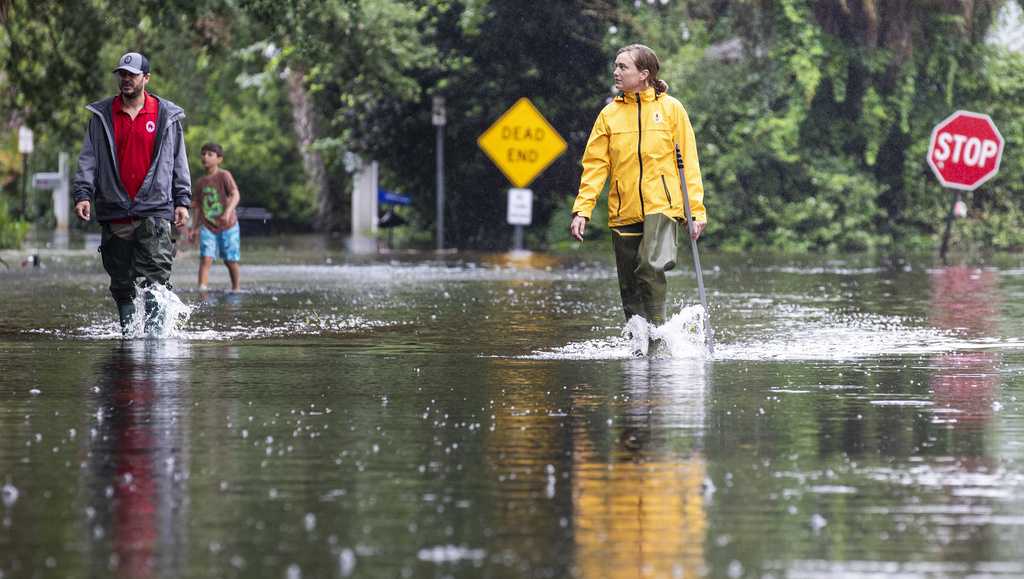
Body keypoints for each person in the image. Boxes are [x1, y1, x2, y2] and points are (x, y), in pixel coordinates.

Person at [570, 44, 706, 328]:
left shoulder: (671, 109)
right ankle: (638, 341)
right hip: (624, 208)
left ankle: (658, 333)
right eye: (616, 66)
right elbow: (595, 165)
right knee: (629, 284)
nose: (616, 72)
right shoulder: (608, 115)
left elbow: (688, 163)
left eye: (623, 67)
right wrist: (583, 209)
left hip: (663, 206)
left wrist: (695, 210)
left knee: (649, 265)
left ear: (644, 74)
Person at [73, 51, 191, 335]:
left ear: (145, 79)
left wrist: (182, 200)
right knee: (121, 283)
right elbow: (88, 158)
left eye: (132, 75)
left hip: (155, 207)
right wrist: (83, 194)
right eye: (122, 74)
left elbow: (178, 159)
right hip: (115, 208)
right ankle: (128, 338)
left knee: (156, 280)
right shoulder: (102, 116)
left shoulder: (166, 115)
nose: (126, 79)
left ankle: (154, 342)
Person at [190, 143, 241, 291]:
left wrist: (227, 212)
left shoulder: (224, 175)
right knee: (206, 258)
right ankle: (202, 289)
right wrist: (194, 229)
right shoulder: (200, 183)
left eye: (210, 154)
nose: (205, 157)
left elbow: (235, 194)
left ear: (219, 159)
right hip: (208, 226)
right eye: (203, 154)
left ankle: (236, 289)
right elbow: (198, 207)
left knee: (230, 260)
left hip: (228, 225)